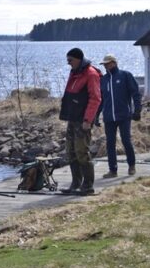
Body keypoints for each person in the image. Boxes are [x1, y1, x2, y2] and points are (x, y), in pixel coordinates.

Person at [59, 48, 102, 195]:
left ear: (78, 59)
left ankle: (88, 185)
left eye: (70, 60)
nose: (68, 63)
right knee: (70, 151)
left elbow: (95, 98)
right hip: (72, 118)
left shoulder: (91, 73)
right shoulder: (75, 72)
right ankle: (76, 183)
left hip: (83, 120)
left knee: (82, 151)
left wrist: (88, 120)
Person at [99, 54, 142, 179]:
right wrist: (96, 116)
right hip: (108, 117)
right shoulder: (104, 79)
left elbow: (135, 94)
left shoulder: (125, 75)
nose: (106, 66)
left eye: (108, 63)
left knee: (126, 140)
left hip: (124, 115)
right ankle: (113, 170)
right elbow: (101, 99)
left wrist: (137, 110)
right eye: (104, 64)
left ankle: (132, 165)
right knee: (110, 143)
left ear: (114, 63)